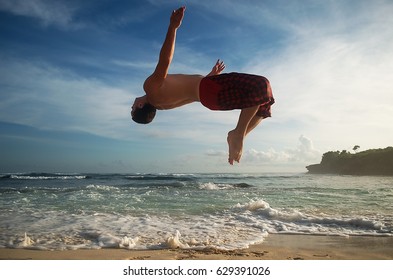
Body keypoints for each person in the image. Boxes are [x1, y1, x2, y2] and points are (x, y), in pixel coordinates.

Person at [131, 7, 274, 165]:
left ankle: (238, 134)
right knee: (261, 85)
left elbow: (192, 95)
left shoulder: (163, 105)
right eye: (133, 108)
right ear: (140, 105)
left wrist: (210, 76)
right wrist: (173, 27)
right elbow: (164, 61)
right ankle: (239, 134)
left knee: (263, 103)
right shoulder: (150, 88)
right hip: (209, 88)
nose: (131, 105)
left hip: (211, 100)